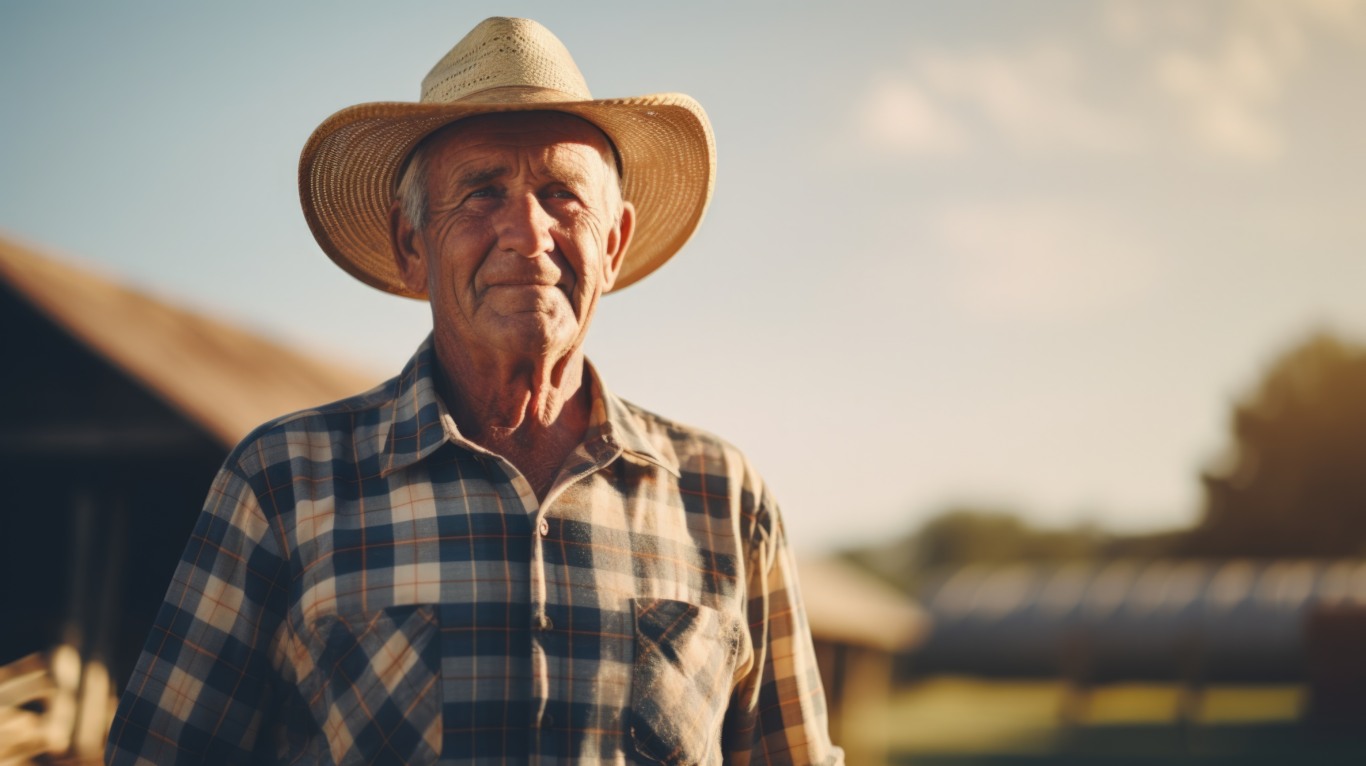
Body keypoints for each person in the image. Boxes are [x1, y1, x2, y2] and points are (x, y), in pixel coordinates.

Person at [106, 17, 841, 765]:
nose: (527, 231)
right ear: (410, 246)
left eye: (562, 195)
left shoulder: (722, 496)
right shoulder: (284, 481)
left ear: (613, 244)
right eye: (482, 192)